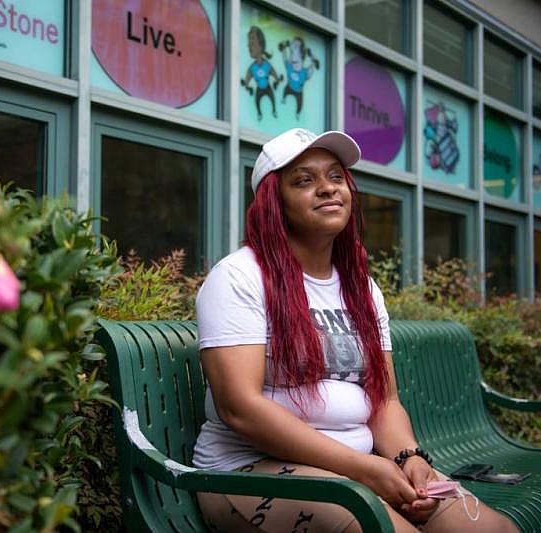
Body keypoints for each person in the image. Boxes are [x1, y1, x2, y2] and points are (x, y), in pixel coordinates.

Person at [192, 128, 518, 532]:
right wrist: (364, 470)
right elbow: (240, 408)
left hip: (359, 469)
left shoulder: (360, 287)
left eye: (335, 176)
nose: (328, 189)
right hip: (248, 470)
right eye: (304, 180)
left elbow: (383, 398)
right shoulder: (239, 277)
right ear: (274, 202)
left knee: (494, 529)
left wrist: (409, 459)